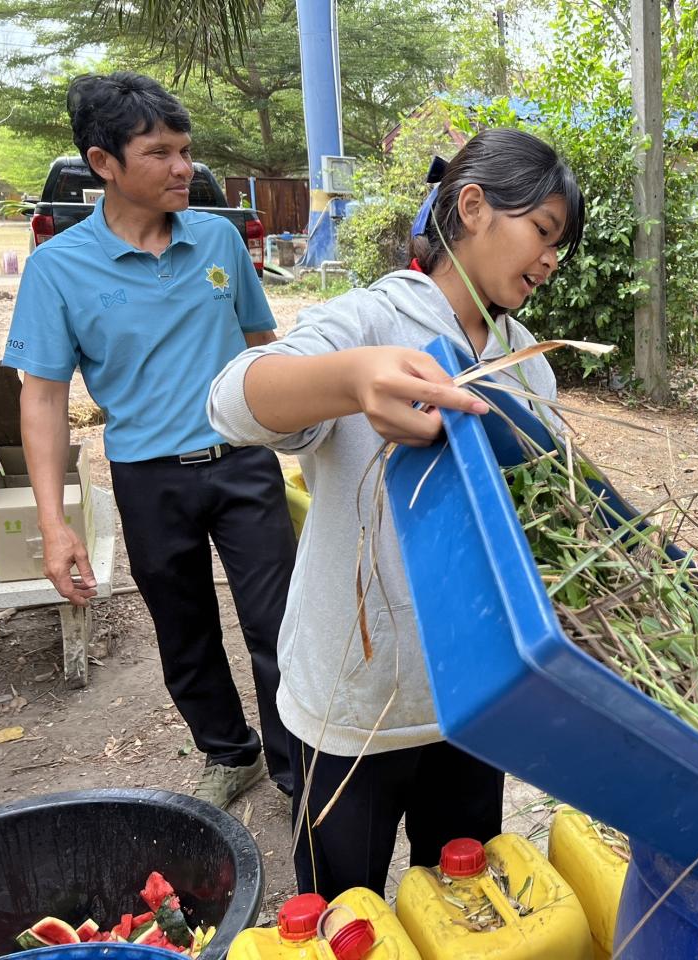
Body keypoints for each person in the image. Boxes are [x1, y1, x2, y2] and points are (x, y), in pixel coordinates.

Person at [207, 127, 585, 898]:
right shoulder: (373, 321)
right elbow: (232, 400)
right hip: (354, 702)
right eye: (543, 232)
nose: (550, 259)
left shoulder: (530, 365)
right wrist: (352, 380)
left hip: (473, 702)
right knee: (347, 910)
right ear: (473, 207)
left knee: (463, 906)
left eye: (560, 246)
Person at [4, 72, 296, 810]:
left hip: (243, 464)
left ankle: (301, 770)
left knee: (280, 626)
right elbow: (41, 397)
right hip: (147, 475)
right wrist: (52, 520)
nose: (183, 169)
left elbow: (267, 347)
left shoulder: (220, 239)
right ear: (104, 163)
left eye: (186, 151)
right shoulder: (57, 268)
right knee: (185, 631)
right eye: (160, 153)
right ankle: (231, 754)